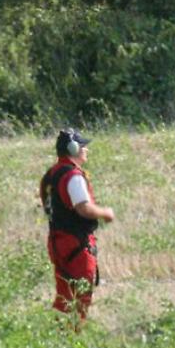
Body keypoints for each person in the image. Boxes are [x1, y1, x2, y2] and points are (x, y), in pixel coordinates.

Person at [38, 128, 115, 321]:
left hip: (57, 241)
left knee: (65, 295)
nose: (86, 149)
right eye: (83, 146)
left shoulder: (51, 174)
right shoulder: (73, 177)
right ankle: (73, 337)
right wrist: (105, 213)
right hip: (76, 244)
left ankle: (58, 337)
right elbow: (84, 209)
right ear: (73, 149)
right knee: (80, 296)